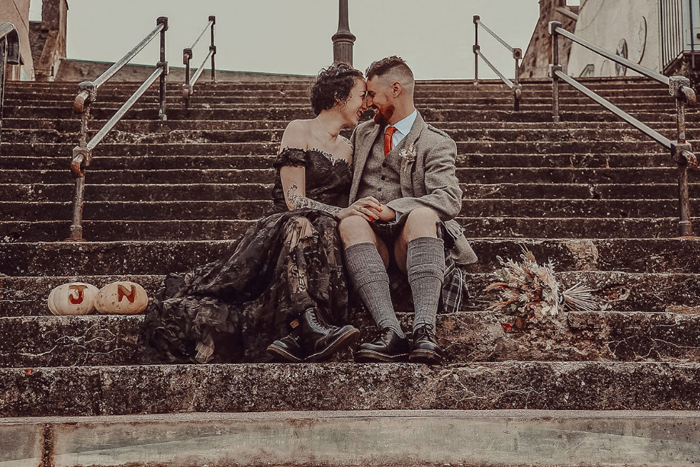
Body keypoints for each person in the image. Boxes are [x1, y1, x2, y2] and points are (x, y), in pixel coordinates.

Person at [140, 62, 381, 364]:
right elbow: (294, 199)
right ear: (338, 97)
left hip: (325, 232)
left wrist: (345, 215)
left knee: (323, 230)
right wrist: (342, 211)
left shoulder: (349, 147)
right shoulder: (299, 128)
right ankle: (306, 323)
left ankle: (304, 329)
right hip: (284, 229)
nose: (367, 104)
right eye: (361, 96)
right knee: (301, 224)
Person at [339, 56, 478, 365]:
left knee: (424, 214)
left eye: (372, 94)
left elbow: (449, 197)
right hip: (370, 242)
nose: (367, 102)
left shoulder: (434, 142)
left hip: (410, 241)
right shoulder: (361, 135)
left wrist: (394, 210)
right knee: (350, 223)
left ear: (396, 89)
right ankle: (389, 331)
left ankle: (425, 330)